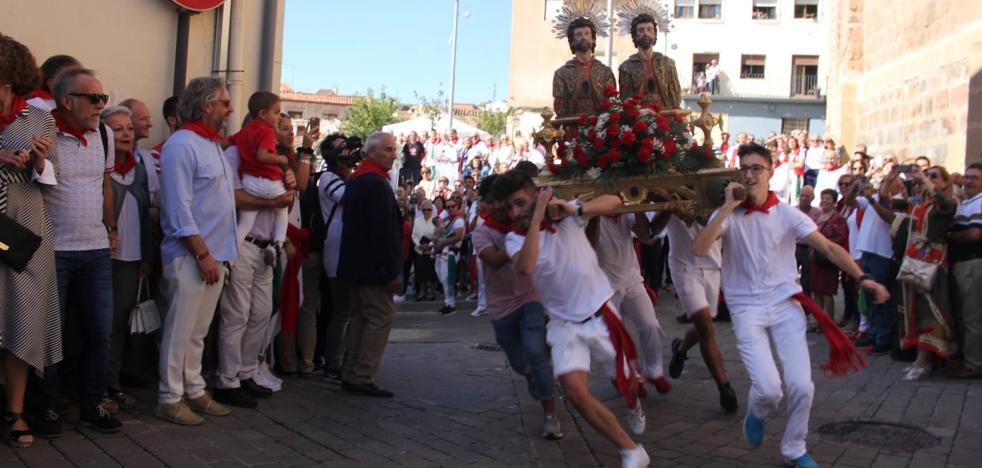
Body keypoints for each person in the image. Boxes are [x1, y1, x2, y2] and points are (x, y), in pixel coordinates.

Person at [692, 142, 889, 468]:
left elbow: (827, 247)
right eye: (744, 169)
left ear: (770, 173)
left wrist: (862, 276)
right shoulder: (726, 215)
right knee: (769, 390)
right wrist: (727, 207)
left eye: (757, 168)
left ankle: (794, 448)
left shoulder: (786, 214)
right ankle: (757, 411)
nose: (750, 174)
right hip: (746, 308)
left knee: (801, 386)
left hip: (785, 303)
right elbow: (699, 248)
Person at [497, 172, 650, 468]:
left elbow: (614, 201)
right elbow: (527, 266)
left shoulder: (566, 217)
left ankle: (633, 403)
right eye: (509, 208)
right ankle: (632, 450)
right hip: (564, 325)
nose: (515, 213)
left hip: (600, 316)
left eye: (520, 203)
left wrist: (576, 210)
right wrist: (538, 216)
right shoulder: (514, 239)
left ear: (537, 196)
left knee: (627, 385)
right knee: (576, 394)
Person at [43, 67, 122, 433]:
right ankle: (45, 407)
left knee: (98, 330)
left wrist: (111, 228)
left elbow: (105, 185)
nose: (100, 105)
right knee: (49, 333)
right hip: (52, 250)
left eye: (103, 98)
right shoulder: (43, 130)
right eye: (94, 98)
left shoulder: (104, 134)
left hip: (94, 250)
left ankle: (93, 403)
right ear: (67, 100)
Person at [156, 77, 238, 425]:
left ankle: (193, 388)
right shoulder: (182, 145)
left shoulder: (211, 146)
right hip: (191, 256)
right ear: (207, 106)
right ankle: (169, 396)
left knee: (197, 331)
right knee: (179, 330)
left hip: (212, 256)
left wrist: (215, 256)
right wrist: (202, 254)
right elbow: (178, 209)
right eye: (224, 102)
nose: (229, 109)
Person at [0, 34, 61, 448]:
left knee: (24, 313)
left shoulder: (39, 119)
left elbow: (53, 176)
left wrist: (39, 161)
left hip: (24, 221)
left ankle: (15, 412)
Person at [471, 175, 562, 439]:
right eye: (492, 201)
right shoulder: (482, 232)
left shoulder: (522, 220)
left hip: (530, 297)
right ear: (485, 204)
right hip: (501, 307)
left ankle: (550, 415)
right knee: (521, 364)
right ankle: (537, 377)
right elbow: (496, 261)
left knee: (536, 352)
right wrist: (520, 237)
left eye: (503, 200)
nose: (499, 206)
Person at [866, 167, 958, 380]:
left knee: (931, 308)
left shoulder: (947, 204)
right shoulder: (918, 205)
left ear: (945, 183)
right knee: (912, 308)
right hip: (914, 261)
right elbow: (887, 204)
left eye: (934, 176)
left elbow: (944, 205)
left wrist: (925, 179)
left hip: (932, 263)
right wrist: (888, 182)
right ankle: (921, 358)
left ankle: (926, 360)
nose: (924, 180)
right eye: (926, 175)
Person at [651, 208, 738, 413]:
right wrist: (668, 205)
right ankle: (724, 387)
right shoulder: (671, 189)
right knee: (706, 327)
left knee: (704, 326)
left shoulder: (718, 192)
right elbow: (652, 231)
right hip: (684, 267)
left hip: (712, 266)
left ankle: (680, 350)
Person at [336, 131, 402, 398]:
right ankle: (362, 374)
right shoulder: (374, 183)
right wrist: (390, 272)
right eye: (387, 149)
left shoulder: (359, 179)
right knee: (379, 317)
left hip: (356, 265)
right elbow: (380, 233)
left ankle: (352, 371)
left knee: (361, 317)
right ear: (371, 152)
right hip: (372, 269)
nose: (393, 154)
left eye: (393, 149)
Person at [101, 106, 152, 414]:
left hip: (130, 259)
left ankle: (111, 382)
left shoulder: (140, 169)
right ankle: (88, 385)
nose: (125, 134)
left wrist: (147, 256)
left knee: (118, 324)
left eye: (129, 129)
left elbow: (146, 216)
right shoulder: (99, 169)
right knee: (95, 324)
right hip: (101, 257)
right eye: (117, 129)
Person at [594, 212, 672, 393]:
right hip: (603, 286)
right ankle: (630, 377)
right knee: (615, 338)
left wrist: (637, 206)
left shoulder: (625, 210)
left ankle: (654, 372)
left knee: (651, 325)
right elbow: (590, 243)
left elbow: (645, 237)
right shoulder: (589, 209)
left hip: (631, 280)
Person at [317, 135, 354, 384]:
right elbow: (349, 199)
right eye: (341, 148)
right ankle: (334, 361)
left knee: (348, 310)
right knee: (342, 310)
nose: (347, 151)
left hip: (347, 249)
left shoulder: (344, 176)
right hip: (337, 250)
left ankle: (344, 358)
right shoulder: (329, 178)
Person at [233, 91, 290, 252]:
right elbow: (263, 156)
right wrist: (282, 160)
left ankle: (231, 256)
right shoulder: (268, 132)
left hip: (248, 182)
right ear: (263, 114)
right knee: (283, 207)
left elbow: (227, 141)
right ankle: (277, 244)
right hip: (267, 181)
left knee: (245, 223)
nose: (279, 117)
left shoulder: (244, 131)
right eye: (277, 112)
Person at [946, 162, 982, 378]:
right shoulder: (968, 202)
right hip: (962, 264)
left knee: (971, 316)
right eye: (967, 177)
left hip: (972, 263)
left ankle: (973, 363)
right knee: (964, 315)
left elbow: (974, 235)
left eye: (974, 178)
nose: (968, 181)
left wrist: (948, 237)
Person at [552, 14, 616, 118]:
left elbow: (613, 102)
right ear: (572, 41)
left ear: (593, 39)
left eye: (587, 33)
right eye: (578, 34)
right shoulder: (561, 74)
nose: (583, 37)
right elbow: (560, 108)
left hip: (599, 128)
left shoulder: (605, 72)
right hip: (571, 127)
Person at [809, 189, 849, 325]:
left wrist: (824, 244)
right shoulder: (818, 216)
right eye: (823, 198)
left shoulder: (838, 218)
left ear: (834, 202)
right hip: (815, 258)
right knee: (816, 291)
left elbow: (840, 237)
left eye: (828, 198)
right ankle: (817, 321)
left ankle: (827, 323)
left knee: (826, 293)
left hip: (827, 259)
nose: (824, 201)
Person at [432, 195, 466, 315]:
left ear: (457, 206)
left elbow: (458, 236)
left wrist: (442, 242)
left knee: (448, 279)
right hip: (443, 252)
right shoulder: (448, 219)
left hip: (451, 252)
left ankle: (451, 304)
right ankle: (447, 302)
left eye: (453, 206)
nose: (450, 208)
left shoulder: (458, 220)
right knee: (443, 278)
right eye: (448, 207)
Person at [412, 200, 438, 302]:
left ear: (432, 210)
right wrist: (419, 245)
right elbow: (413, 235)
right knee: (420, 272)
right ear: (421, 210)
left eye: (429, 210)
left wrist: (430, 245)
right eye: (424, 210)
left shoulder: (436, 220)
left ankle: (432, 292)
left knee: (432, 272)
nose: (426, 212)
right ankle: (422, 292)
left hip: (431, 251)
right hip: (419, 250)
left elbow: (437, 235)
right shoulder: (417, 220)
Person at [794, 186, 819, 296]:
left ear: (812, 198)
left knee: (807, 280)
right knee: (790, 276)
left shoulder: (817, 212)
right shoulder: (793, 211)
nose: (804, 198)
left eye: (807, 196)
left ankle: (806, 307)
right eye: (802, 195)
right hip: (794, 247)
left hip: (809, 248)